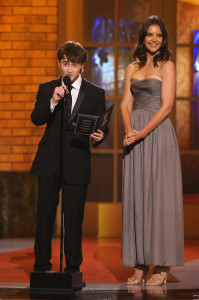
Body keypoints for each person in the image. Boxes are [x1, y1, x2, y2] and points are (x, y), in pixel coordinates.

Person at [30, 41, 108, 275]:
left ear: (82, 66)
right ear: (59, 63)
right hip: (49, 163)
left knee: (74, 220)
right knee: (44, 217)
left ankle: (73, 268)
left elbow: (102, 128)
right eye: (65, 63)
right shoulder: (47, 88)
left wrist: (100, 136)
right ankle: (42, 266)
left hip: (77, 162)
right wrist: (53, 101)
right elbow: (36, 118)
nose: (69, 69)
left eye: (74, 64)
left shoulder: (95, 93)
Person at [120, 15, 184, 286]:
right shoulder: (132, 67)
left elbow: (167, 106)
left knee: (159, 198)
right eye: (150, 34)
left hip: (157, 135)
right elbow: (125, 104)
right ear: (143, 37)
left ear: (163, 38)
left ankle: (162, 265)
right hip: (134, 136)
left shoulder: (167, 65)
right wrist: (129, 132)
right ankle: (139, 264)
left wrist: (142, 133)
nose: (154, 39)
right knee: (137, 197)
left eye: (158, 35)